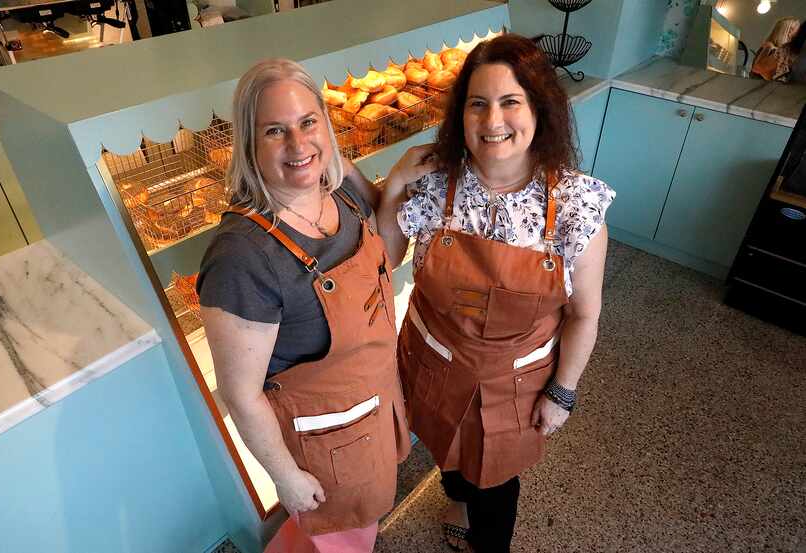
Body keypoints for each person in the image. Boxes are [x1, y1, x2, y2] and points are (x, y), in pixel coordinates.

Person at [377, 34, 615, 553]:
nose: (492, 121)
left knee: (496, 482)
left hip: (514, 383)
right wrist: (394, 182)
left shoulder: (577, 205)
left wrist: (563, 392)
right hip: (432, 361)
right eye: (477, 104)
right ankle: (455, 497)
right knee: (446, 451)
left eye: (511, 102)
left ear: (540, 109)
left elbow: (584, 315)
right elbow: (384, 259)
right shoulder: (434, 183)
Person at [197, 58, 410, 553]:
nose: (298, 145)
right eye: (275, 131)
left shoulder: (344, 196)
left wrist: (392, 181)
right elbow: (240, 393)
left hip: (372, 415)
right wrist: (286, 477)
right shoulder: (241, 258)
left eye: (308, 122)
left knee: (359, 528)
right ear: (249, 144)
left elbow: (385, 262)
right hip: (322, 450)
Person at [750, 17, 800, 81]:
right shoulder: (771, 48)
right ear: (788, 32)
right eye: (796, 30)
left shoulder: (773, 48)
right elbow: (757, 69)